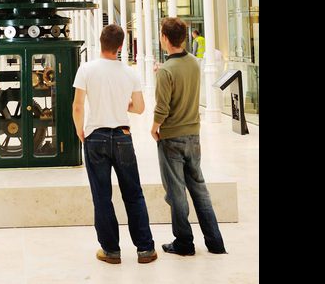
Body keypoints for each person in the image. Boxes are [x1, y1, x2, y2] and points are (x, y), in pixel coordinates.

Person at [73, 24, 157, 265]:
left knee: (102, 196)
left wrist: (80, 129)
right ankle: (145, 249)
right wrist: (124, 105)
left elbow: (78, 105)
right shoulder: (130, 73)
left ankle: (111, 251)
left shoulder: (86, 69)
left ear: (100, 42)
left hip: (95, 136)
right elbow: (140, 108)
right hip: (122, 136)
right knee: (133, 193)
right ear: (121, 47)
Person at [151, 16, 226, 256]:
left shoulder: (166, 71)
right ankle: (215, 241)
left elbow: (162, 108)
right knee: (199, 188)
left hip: (171, 137)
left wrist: (154, 127)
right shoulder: (194, 63)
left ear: (164, 37)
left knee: (176, 192)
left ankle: (184, 242)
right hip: (193, 135)